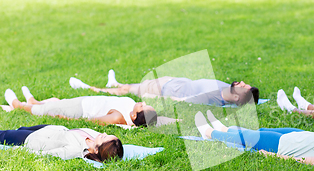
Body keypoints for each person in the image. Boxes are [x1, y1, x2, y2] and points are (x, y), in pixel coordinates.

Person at [194, 110, 314, 166]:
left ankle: (209, 133)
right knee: (260, 130)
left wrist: (273, 157)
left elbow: (304, 161)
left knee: (248, 138)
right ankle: (226, 128)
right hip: (297, 134)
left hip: (284, 146)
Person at [69, 69, 260, 106]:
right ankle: (114, 83)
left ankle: (90, 88)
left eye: (243, 87)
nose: (242, 83)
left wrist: (157, 101)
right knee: (133, 87)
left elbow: (181, 102)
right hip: (174, 81)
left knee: (127, 92)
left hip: (162, 90)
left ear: (237, 98)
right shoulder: (227, 90)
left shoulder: (213, 99)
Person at [4, 87, 158, 127]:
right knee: (57, 101)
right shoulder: (131, 108)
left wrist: (64, 118)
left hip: (80, 109)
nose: (142, 103)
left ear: (133, 116)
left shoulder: (118, 117)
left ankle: (17, 105)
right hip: (85, 101)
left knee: (45, 110)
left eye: (142, 106)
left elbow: (92, 120)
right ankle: (33, 101)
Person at [0, 124, 123, 162]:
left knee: (3, 135)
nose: (103, 134)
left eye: (104, 137)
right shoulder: (94, 137)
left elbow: (46, 154)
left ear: (97, 150)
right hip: (51, 128)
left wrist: (18, 150)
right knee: (21, 128)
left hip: (33, 138)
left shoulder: (74, 150)